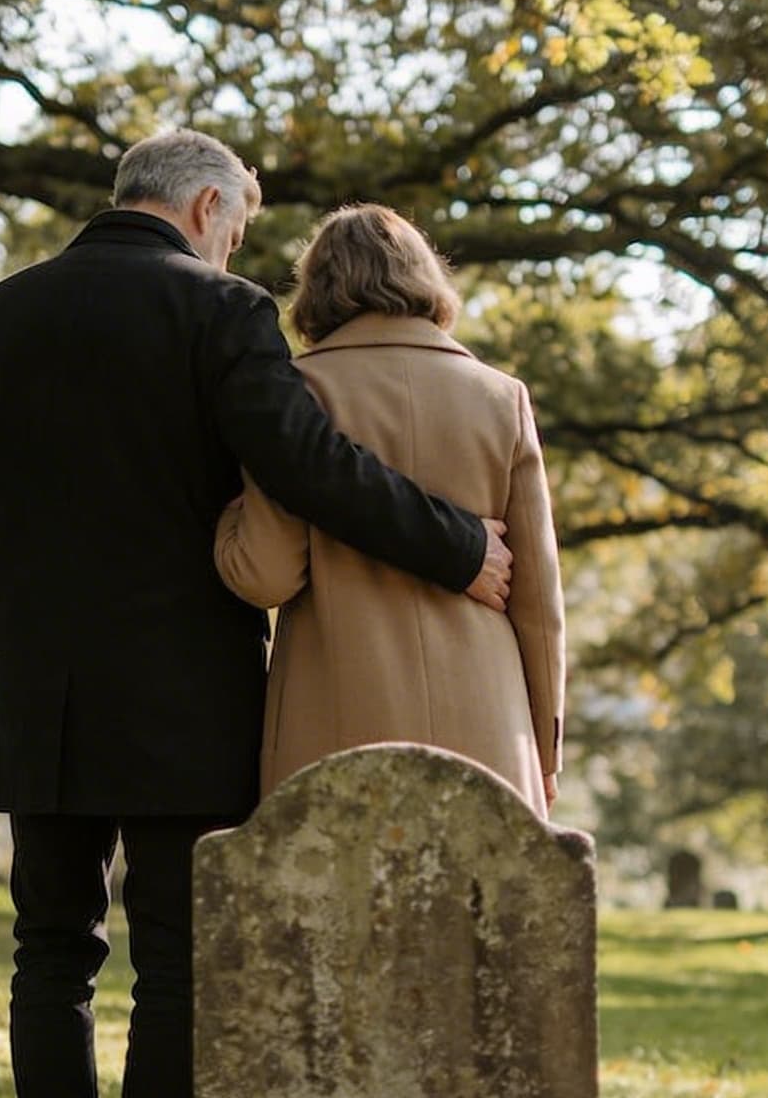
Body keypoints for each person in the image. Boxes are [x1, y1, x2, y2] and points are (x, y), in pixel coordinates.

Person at [0, 132, 514, 1098]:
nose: (238, 244)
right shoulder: (222, 312)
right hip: (191, 692)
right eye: (236, 224)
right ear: (202, 206)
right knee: (180, 964)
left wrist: (17, 629)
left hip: (46, 694)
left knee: (51, 951)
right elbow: (310, 466)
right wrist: (455, 547)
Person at [217, 204, 564, 816]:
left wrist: (224, 519)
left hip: (335, 714)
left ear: (316, 288)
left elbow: (262, 573)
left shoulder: (295, 394)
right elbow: (538, 603)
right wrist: (544, 751)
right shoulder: (502, 397)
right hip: (489, 720)